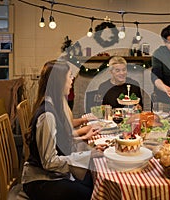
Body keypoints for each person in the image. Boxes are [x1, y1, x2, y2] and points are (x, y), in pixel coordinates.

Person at [21, 60, 106, 200]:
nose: (72, 79)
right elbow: (50, 162)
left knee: (92, 180)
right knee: (91, 192)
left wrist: (85, 143)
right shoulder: (47, 115)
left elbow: (59, 141)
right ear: (59, 82)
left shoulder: (55, 105)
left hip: (51, 174)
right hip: (40, 180)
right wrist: (88, 155)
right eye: (69, 76)